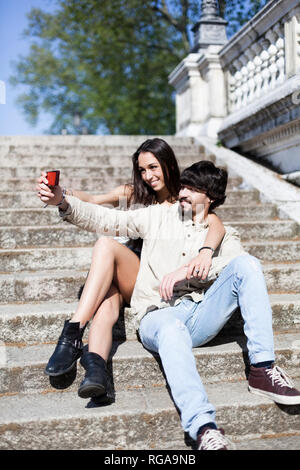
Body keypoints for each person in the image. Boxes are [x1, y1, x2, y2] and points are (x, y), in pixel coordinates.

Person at [37, 158, 300, 450]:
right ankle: (203, 428)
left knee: (248, 265)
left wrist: (194, 265)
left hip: (200, 314)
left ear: (210, 198)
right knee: (172, 327)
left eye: (192, 188)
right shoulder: (159, 216)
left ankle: (262, 368)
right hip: (158, 315)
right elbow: (108, 220)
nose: (183, 192)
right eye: (183, 185)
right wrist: (63, 202)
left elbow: (234, 264)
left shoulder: (223, 234)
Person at [36, 138, 225, 398]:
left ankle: (72, 332)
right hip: (123, 269)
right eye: (142, 170)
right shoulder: (134, 193)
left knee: (106, 245)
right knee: (107, 302)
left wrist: (206, 252)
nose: (148, 176)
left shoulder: (185, 196)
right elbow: (93, 201)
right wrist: (60, 194)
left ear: (168, 164)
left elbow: (215, 222)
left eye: (153, 167)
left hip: (151, 276)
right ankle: (96, 372)